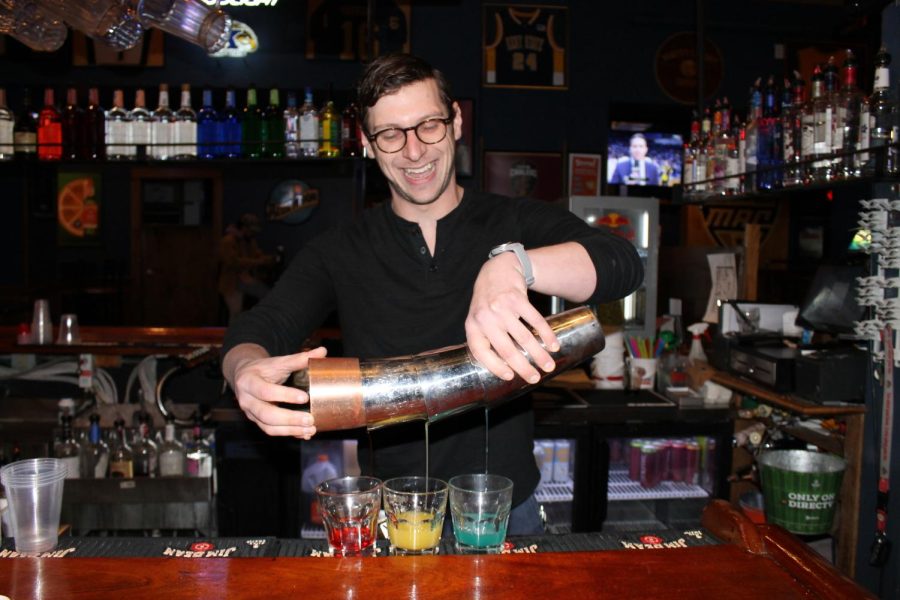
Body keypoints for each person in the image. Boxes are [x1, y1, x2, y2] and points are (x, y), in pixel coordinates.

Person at [221, 53, 643, 535]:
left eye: (428, 126)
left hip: (505, 512)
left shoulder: (513, 221)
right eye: (391, 134)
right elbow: (261, 326)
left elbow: (622, 263)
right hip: (394, 517)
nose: (414, 151)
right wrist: (244, 371)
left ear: (456, 122)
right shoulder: (338, 250)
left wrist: (514, 264)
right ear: (367, 142)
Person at [217, 213, 276, 323]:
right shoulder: (228, 241)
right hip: (231, 283)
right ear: (244, 228)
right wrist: (259, 262)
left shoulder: (248, 240)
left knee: (265, 295)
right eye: (251, 230)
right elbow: (232, 262)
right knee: (235, 314)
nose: (253, 233)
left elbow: (256, 254)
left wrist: (269, 259)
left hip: (244, 280)